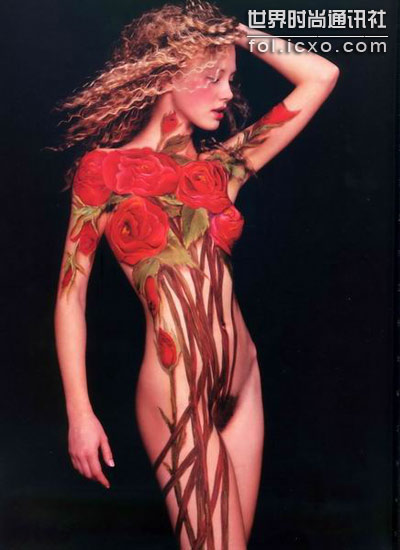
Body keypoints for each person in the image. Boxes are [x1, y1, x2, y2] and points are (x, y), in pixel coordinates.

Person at [54, 1, 339, 548]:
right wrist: (80, 413)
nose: (227, 92)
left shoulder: (223, 167)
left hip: (244, 380)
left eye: (230, 78)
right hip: (177, 390)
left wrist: (232, 31)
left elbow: (320, 74)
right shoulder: (103, 172)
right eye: (211, 77)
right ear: (166, 75)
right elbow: (71, 296)